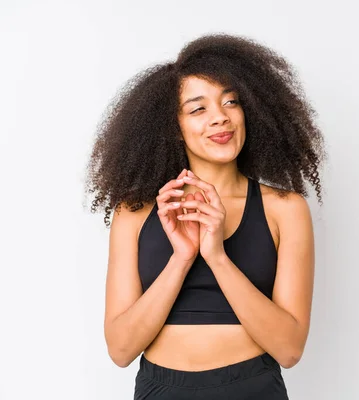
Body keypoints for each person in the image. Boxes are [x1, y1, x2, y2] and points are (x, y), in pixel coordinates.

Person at [84, 33, 326, 399]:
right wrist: (182, 258)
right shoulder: (135, 212)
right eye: (198, 109)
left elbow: (290, 349)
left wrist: (216, 256)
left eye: (231, 101)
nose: (221, 118)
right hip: (160, 389)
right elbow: (120, 350)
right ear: (173, 128)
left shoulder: (284, 208)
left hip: (252, 388)